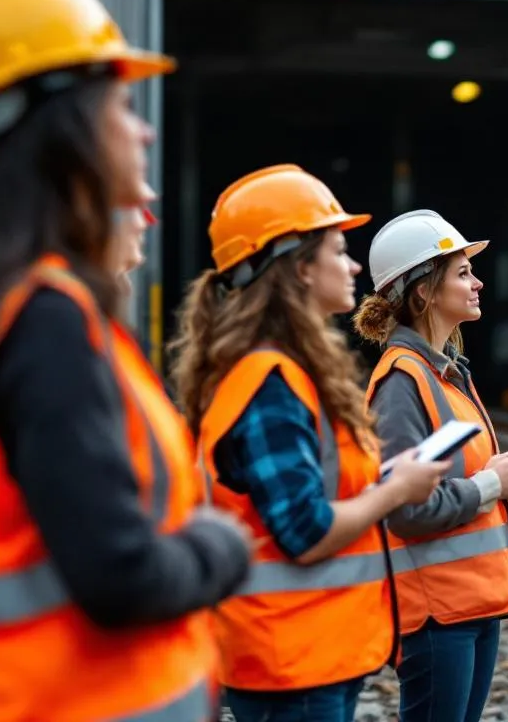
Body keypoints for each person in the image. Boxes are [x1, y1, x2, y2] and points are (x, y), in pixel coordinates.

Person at [0, 0, 252, 721]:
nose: (144, 127)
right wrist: (223, 546)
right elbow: (120, 575)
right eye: (121, 103)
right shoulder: (42, 319)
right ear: (55, 126)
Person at [168, 164, 452, 722]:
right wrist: (397, 490)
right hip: (288, 661)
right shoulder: (268, 385)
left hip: (311, 651)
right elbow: (305, 533)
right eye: (339, 250)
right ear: (299, 268)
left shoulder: (289, 373)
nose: (352, 266)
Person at [352, 209, 508, 722]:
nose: (478, 282)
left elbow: (460, 482)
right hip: (436, 613)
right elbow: (404, 509)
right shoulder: (401, 383)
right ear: (424, 293)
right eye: (462, 272)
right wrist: (487, 484)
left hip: (470, 603)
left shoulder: (446, 373)